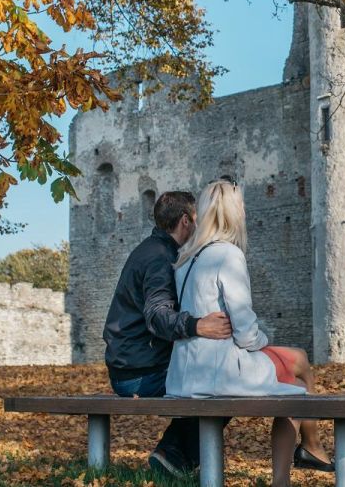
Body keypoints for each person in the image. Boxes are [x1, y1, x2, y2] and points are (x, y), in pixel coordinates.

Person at [167, 179, 333, 486]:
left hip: (185, 372)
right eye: (240, 206)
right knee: (298, 380)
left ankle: (303, 456)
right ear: (233, 213)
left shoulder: (187, 259)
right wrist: (262, 342)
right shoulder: (228, 255)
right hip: (218, 371)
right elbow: (244, 330)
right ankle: (302, 457)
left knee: (294, 377)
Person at [103, 190, 234, 476]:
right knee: (224, 384)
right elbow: (157, 315)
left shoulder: (155, 250)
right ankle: (173, 456)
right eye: (198, 220)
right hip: (137, 375)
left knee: (217, 378)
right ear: (185, 221)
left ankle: (173, 454)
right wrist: (197, 325)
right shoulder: (159, 258)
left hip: (132, 364)